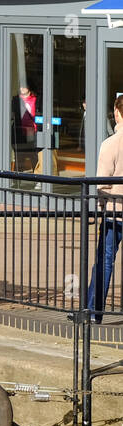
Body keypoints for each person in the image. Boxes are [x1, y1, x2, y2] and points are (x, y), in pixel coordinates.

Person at [86, 94, 123, 323]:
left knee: (104, 260)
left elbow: (101, 184)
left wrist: (101, 207)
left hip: (114, 212)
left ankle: (93, 312)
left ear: (117, 113)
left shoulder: (110, 144)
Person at [12, 83, 38, 171]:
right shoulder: (16, 99)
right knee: (19, 158)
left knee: (34, 157)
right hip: (19, 132)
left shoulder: (35, 99)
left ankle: (37, 177)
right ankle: (17, 178)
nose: (22, 88)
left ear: (29, 87)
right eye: (20, 86)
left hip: (33, 132)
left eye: (24, 86)